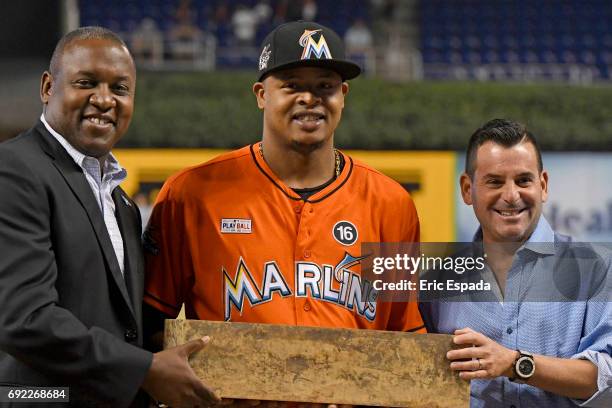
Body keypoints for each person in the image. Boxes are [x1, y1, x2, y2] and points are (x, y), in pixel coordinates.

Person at [144, 20, 424, 349]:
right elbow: (150, 324)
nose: (310, 98)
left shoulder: (391, 203)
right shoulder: (191, 194)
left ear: (343, 96)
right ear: (262, 95)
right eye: (292, 85)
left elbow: (406, 336)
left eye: (325, 86)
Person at [0, 27, 220, 408]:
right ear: (48, 87)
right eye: (86, 82)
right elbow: (26, 317)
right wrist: (146, 370)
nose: (104, 100)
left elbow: (126, 326)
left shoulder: (122, 204)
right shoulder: (14, 170)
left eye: (119, 89)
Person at [419, 119, 612, 407]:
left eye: (523, 180)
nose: (511, 196)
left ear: (543, 185)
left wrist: (515, 363)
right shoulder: (436, 283)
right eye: (495, 182)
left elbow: (606, 378)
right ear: (467, 189)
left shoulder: (597, 268)